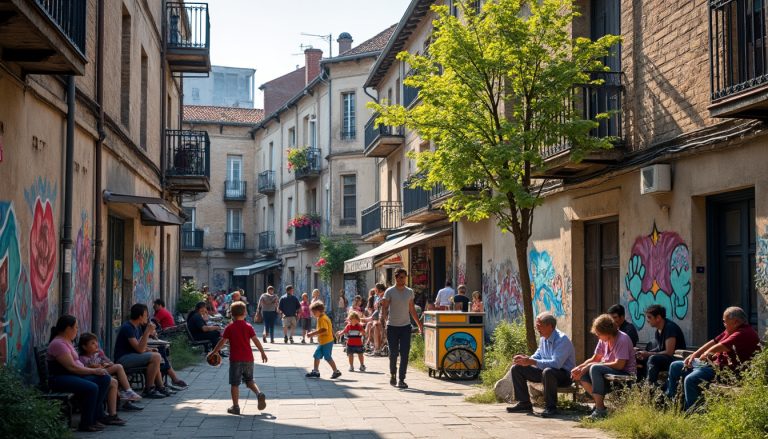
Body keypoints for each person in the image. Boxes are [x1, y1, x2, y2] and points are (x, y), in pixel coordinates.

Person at [666, 306, 759, 411]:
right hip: (712, 365)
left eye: (725, 321)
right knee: (675, 366)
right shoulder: (731, 330)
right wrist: (694, 355)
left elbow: (720, 346)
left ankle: (693, 413)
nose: (724, 324)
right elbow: (714, 342)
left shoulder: (743, 333)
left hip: (724, 371)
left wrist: (707, 354)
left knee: (690, 379)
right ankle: (672, 404)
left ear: (736, 322)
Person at [48, 315, 125, 432]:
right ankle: (86, 423)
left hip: (73, 375)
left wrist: (95, 370)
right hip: (60, 378)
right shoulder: (58, 344)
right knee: (92, 387)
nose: (77, 330)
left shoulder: (66, 341)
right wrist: (94, 371)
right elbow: (71, 367)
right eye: (76, 327)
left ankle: (96, 416)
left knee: (105, 378)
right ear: (68, 329)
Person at [505, 312, 575, 418]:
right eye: (536, 325)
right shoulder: (543, 338)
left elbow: (556, 364)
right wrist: (525, 360)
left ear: (550, 326)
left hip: (564, 375)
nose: (537, 328)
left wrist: (532, 362)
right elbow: (537, 356)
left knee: (548, 371)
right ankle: (524, 403)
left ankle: (551, 407)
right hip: (545, 372)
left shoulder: (562, 340)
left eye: (539, 325)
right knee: (517, 368)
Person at [208, 301, 269, 415]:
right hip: (248, 358)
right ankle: (259, 394)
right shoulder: (248, 326)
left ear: (231, 314)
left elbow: (222, 342)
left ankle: (236, 407)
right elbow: (256, 340)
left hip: (236, 359)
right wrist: (262, 352)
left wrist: (214, 352)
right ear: (245, 313)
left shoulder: (230, 327)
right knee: (249, 380)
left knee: (235, 384)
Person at [572, 314, 636, 420]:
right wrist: (579, 367)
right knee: (583, 374)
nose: (598, 336)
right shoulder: (603, 339)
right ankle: (600, 406)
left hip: (624, 372)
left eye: (599, 334)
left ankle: (600, 410)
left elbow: (620, 365)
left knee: (595, 368)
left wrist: (591, 365)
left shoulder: (622, 339)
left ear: (606, 331)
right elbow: (595, 358)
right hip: (608, 371)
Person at [114, 303, 175, 398]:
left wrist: (149, 349)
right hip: (123, 358)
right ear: (140, 316)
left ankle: (160, 387)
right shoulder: (128, 327)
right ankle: (148, 389)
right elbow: (139, 349)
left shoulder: (136, 327)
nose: (147, 318)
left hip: (131, 355)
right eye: (146, 315)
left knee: (155, 355)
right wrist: (147, 331)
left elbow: (138, 346)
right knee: (156, 357)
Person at [380, 268, 423, 389]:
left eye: (404, 277)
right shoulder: (389, 291)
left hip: (405, 326)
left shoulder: (409, 292)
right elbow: (384, 308)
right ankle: (393, 374)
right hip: (392, 326)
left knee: (405, 353)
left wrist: (419, 324)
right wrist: (385, 321)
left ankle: (402, 379)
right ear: (396, 278)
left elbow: (412, 309)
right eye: (400, 277)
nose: (403, 279)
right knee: (393, 353)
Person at [78, 332, 142, 403]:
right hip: (94, 374)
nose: (96, 344)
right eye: (92, 343)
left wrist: (107, 364)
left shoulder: (99, 353)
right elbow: (84, 370)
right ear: (84, 347)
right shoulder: (82, 358)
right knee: (114, 377)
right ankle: (123, 397)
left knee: (118, 367)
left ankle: (128, 392)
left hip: (103, 371)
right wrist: (92, 367)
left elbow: (109, 362)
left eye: (96, 342)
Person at [635, 304, 686, 384]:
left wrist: (648, 353)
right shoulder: (658, 330)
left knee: (653, 359)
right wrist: (642, 352)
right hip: (665, 358)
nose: (647, 320)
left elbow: (669, 352)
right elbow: (659, 348)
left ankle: (650, 386)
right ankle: (638, 384)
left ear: (658, 318)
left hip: (676, 360)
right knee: (639, 358)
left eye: (649, 317)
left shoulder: (670, 328)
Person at [305, 301, 342, 379]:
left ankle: (336, 371)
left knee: (327, 357)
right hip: (323, 341)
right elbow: (323, 329)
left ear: (319, 311)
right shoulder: (322, 317)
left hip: (327, 342)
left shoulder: (322, 318)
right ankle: (315, 371)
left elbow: (324, 329)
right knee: (316, 355)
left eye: (314, 312)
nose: (313, 314)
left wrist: (312, 333)